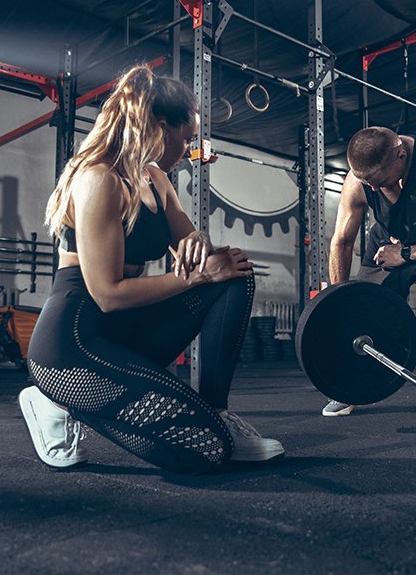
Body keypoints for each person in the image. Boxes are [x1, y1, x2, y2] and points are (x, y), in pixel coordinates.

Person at [18, 64, 284, 474]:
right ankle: (55, 399)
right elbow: (107, 294)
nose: (189, 150)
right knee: (205, 452)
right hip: (73, 343)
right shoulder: (99, 178)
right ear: (161, 128)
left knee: (234, 274)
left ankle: (218, 410)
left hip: (129, 332)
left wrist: (200, 243)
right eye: (188, 138)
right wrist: (196, 275)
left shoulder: (157, 179)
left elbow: (202, 257)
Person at [323, 126, 416, 444]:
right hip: (387, 245)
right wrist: (340, 299)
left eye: (382, 181)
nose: (375, 189)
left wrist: (405, 254)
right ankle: (352, 385)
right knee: (360, 303)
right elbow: (341, 242)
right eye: (369, 183)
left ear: (401, 155)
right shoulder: (359, 181)